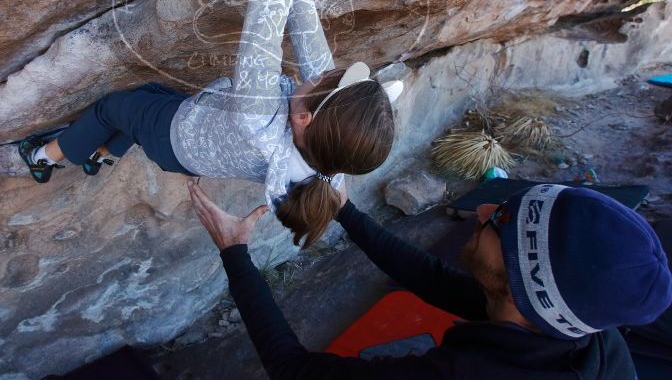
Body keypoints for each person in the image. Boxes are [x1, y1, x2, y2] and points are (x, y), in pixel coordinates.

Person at [18, 0, 401, 248]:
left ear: (303, 117)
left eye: (319, 80)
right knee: (145, 102)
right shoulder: (332, 155)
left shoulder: (260, 116)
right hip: (191, 139)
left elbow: (266, 19)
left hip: (175, 135)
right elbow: (305, 28)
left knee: (114, 108)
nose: (316, 73)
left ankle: (45, 158)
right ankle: (101, 153)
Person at [188, 181, 672, 378]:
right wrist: (345, 211)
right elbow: (438, 280)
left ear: (516, 283)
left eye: (496, 221)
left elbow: (296, 371)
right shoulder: (579, 325)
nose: (481, 209)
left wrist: (234, 251)